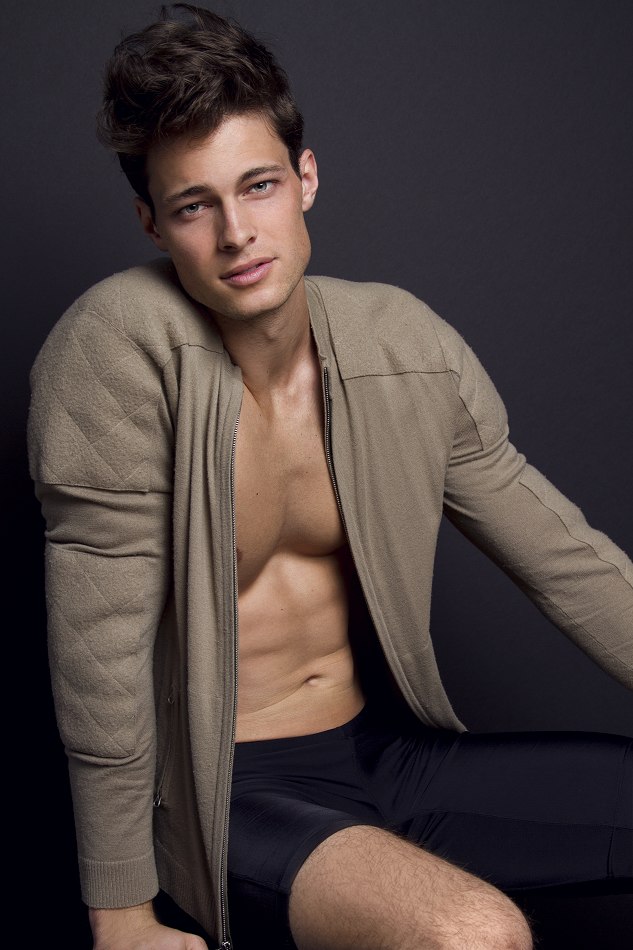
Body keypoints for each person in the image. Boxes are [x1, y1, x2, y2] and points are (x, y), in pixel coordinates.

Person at [28, 5, 632, 950]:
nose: (237, 232)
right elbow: (95, 656)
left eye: (259, 185)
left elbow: (566, 561)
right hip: (224, 795)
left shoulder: (401, 343)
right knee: (475, 934)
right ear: (152, 222)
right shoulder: (116, 351)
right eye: (193, 206)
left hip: (387, 754)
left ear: (305, 179)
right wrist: (123, 918)